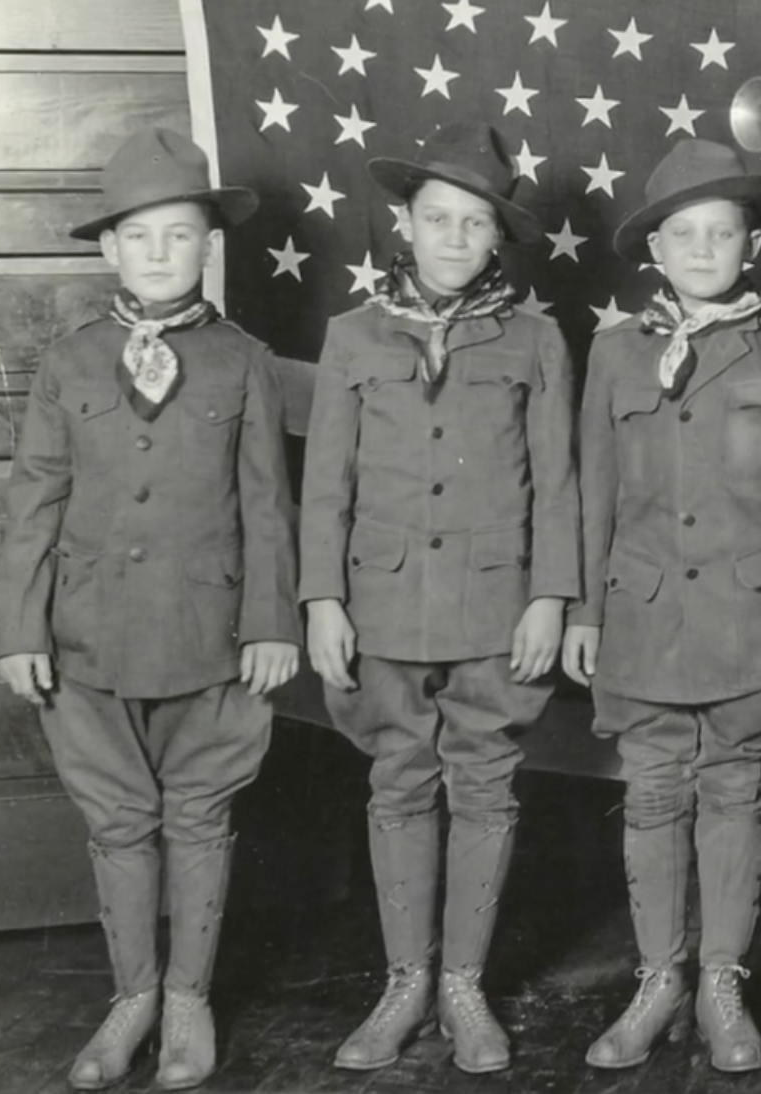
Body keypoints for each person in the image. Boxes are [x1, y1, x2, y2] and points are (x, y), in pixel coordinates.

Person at [563, 138, 761, 1073]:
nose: (704, 249)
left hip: (750, 618)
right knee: (656, 795)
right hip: (643, 618)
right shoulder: (617, 353)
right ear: (654, 250)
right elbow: (595, 497)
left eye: (725, 232)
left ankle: (721, 982)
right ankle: (659, 977)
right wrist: (583, 611)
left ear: (750, 245)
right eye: (683, 234)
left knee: (735, 793)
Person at [0, 126, 300, 1091]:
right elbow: (33, 497)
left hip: (211, 642)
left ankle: (188, 1002)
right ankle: (132, 998)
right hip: (86, 640)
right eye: (141, 237)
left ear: (208, 244)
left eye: (181, 236)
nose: (161, 254)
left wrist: (272, 625)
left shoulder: (242, 361)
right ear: (109, 248)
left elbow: (268, 506)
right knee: (119, 824)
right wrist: (18, 627)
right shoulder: (71, 362)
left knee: (199, 819)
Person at [298, 122, 578, 1075]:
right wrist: (321, 600)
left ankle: (464, 985)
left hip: (496, 605)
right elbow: (325, 484)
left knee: (486, 785)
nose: (455, 239)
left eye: (475, 224)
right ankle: (405, 980)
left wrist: (551, 597)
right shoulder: (351, 337)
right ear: (403, 224)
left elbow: (559, 482)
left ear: (499, 237)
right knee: (397, 784)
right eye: (436, 219)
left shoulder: (536, 341)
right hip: (378, 604)